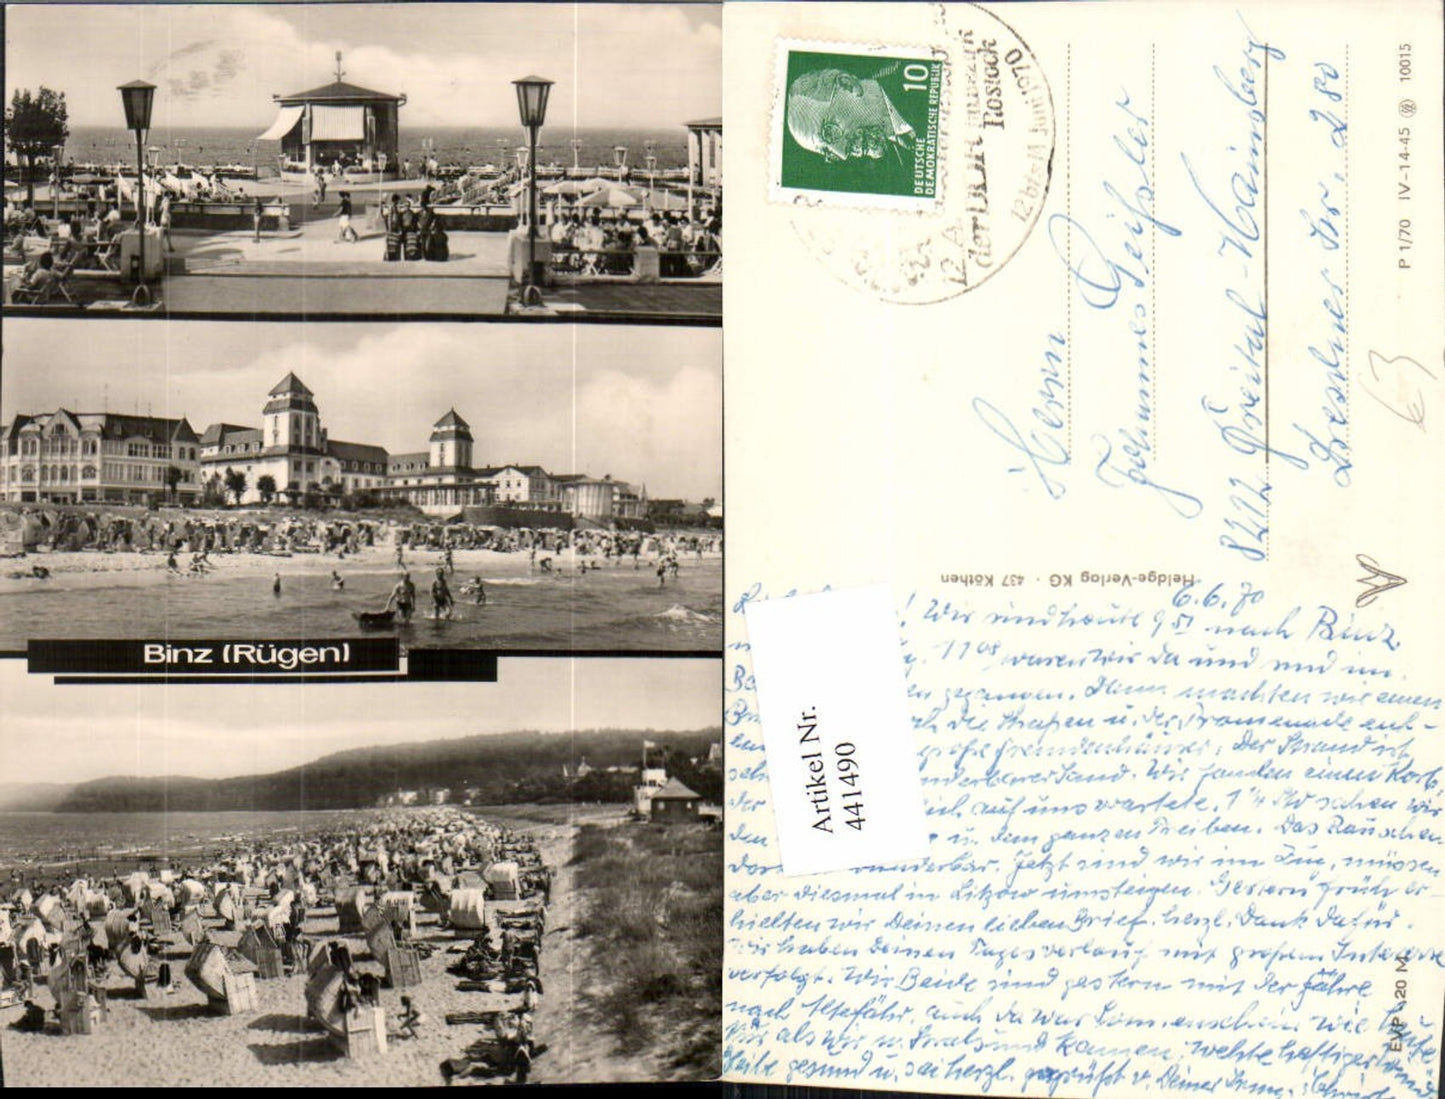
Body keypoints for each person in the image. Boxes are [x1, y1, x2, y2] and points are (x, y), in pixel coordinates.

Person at [786, 67, 917, 164]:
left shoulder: (916, 80)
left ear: (847, 84)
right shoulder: (906, 158)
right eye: (828, 152)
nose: (843, 154)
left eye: (830, 133)